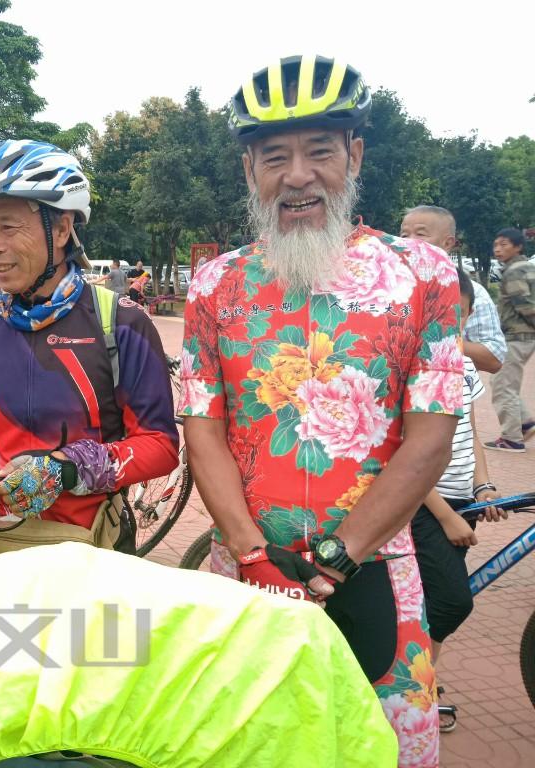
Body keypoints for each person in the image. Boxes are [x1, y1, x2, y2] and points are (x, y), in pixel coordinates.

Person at [181, 55, 462, 767]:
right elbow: (202, 430)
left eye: (320, 152)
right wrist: (251, 553)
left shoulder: (422, 274)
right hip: (247, 575)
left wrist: (338, 560)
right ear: (251, 170)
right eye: (275, 156)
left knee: (383, 751)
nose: (297, 174)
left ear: (355, 156)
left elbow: (429, 437)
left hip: (374, 572)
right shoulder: (214, 285)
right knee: (242, 751)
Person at [0, 139, 178, 564]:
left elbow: (160, 445)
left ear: (62, 229)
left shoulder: (121, 324)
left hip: (93, 550)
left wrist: (69, 468)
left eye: (9, 227)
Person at [409, 268, 504, 726]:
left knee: (433, 604)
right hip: (426, 504)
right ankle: (405, 684)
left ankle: (424, 681)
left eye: (459, 317)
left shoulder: (464, 366)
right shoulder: (417, 364)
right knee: (451, 602)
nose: (451, 327)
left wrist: (482, 486)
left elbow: (472, 435)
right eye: (442, 316)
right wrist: (446, 516)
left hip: (460, 498)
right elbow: (403, 457)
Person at [400, 205, 505, 374]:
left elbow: (493, 358)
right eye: (404, 235)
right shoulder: (386, 289)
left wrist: (437, 339)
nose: (409, 241)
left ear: (447, 243)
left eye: (420, 234)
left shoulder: (469, 292)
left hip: (444, 392)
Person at [486, 227, 535, 452]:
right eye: (496, 245)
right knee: (502, 382)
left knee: (503, 386)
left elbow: (524, 305)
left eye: (504, 244)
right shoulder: (526, 267)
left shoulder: (515, 271)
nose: (498, 249)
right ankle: (525, 423)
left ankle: (511, 438)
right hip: (523, 337)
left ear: (518, 247)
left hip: (516, 336)